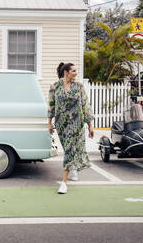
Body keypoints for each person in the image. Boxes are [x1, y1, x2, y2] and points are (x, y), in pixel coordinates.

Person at [47, 62, 94, 194]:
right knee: (69, 148)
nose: (76, 73)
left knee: (69, 150)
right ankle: (73, 168)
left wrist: (90, 125)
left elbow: (85, 105)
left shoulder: (79, 86)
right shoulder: (55, 87)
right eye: (73, 71)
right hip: (62, 124)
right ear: (66, 72)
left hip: (77, 124)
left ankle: (64, 183)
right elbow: (51, 105)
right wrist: (49, 123)